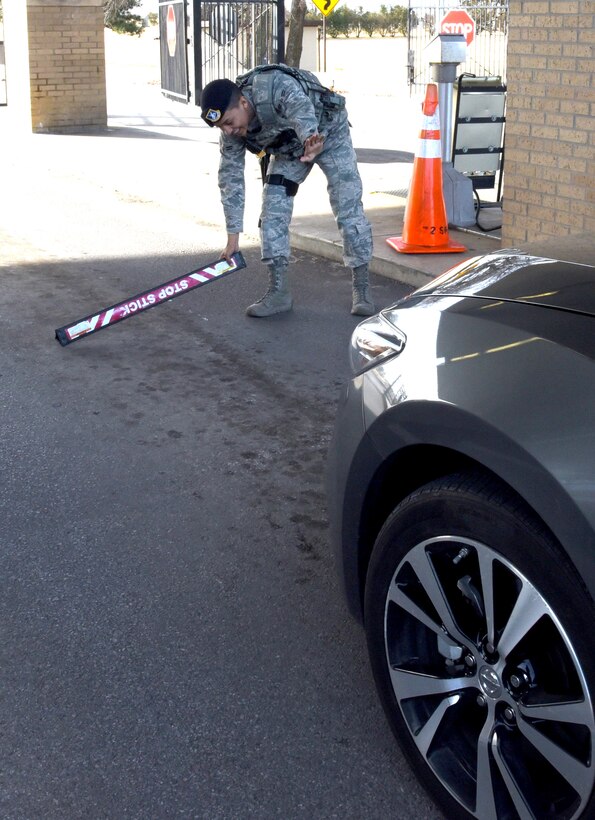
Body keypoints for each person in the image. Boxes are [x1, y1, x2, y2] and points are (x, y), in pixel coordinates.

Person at [200, 64, 375, 318]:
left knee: (347, 205)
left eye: (229, 122)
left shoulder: (273, 86)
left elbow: (302, 112)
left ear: (243, 102)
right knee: (272, 210)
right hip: (290, 149)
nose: (228, 130)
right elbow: (230, 178)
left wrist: (310, 141)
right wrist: (233, 235)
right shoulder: (231, 132)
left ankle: (362, 288)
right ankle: (278, 292)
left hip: (327, 134)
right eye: (222, 128)